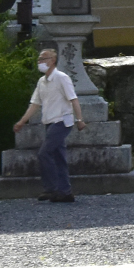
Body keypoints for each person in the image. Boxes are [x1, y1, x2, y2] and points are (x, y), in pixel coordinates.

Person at [13, 48, 84, 203]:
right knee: (58, 157)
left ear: (53, 60)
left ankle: (51, 188)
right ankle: (65, 192)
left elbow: (73, 99)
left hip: (62, 121)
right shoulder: (42, 82)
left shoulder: (61, 78)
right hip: (49, 121)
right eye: (39, 59)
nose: (41, 62)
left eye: (44, 59)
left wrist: (79, 119)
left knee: (44, 153)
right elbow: (35, 104)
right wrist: (22, 121)